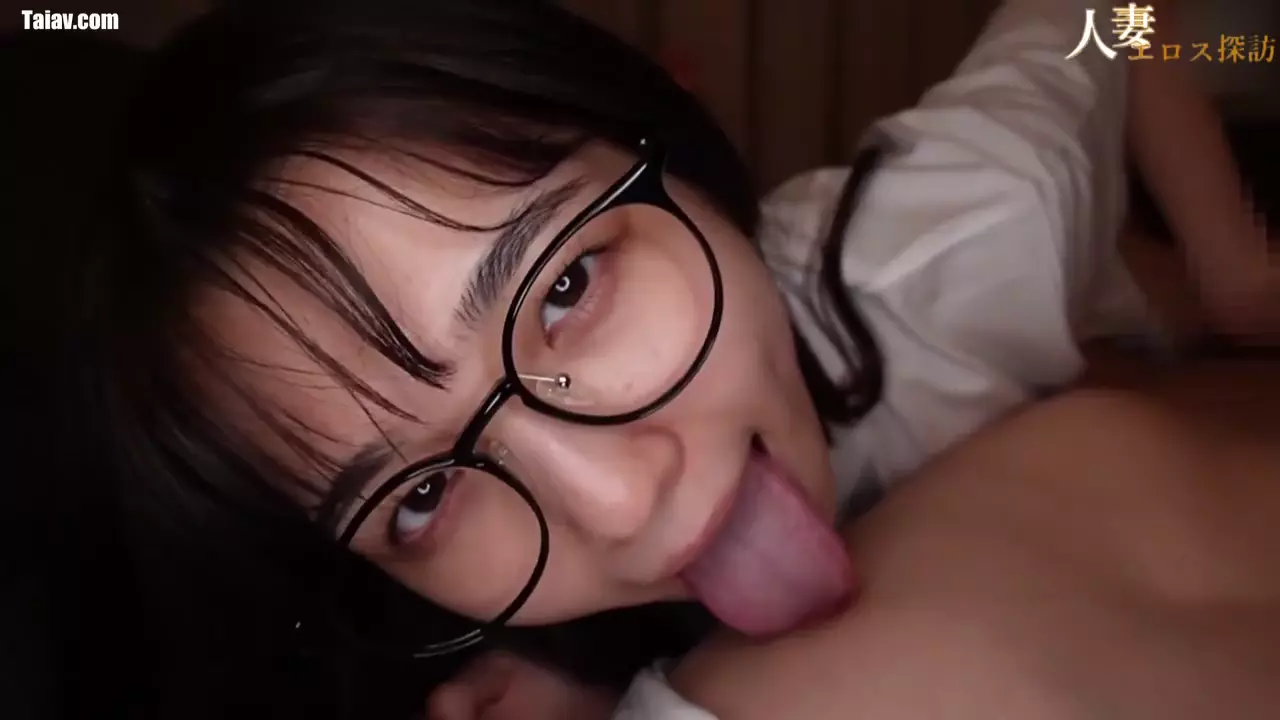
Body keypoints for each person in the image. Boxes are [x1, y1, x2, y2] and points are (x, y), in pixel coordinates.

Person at [83, 0, 1272, 716]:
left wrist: (1226, 261)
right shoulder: (515, 612)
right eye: (422, 495)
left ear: (669, 153)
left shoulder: (976, 217)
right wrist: (582, 665)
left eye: (565, 287)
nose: (618, 501)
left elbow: (1107, 15)